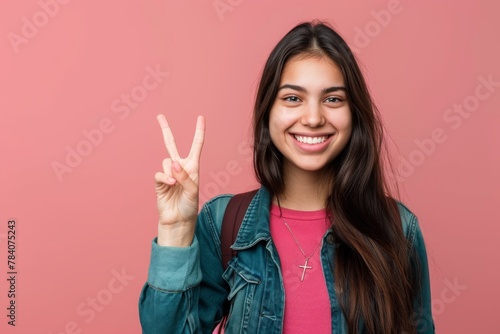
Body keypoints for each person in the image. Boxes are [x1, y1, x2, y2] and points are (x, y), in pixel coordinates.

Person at [138, 21, 435, 334]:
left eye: (332, 99)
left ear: (354, 114)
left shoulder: (398, 229)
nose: (313, 118)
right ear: (268, 111)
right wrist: (175, 232)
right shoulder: (222, 223)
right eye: (293, 98)